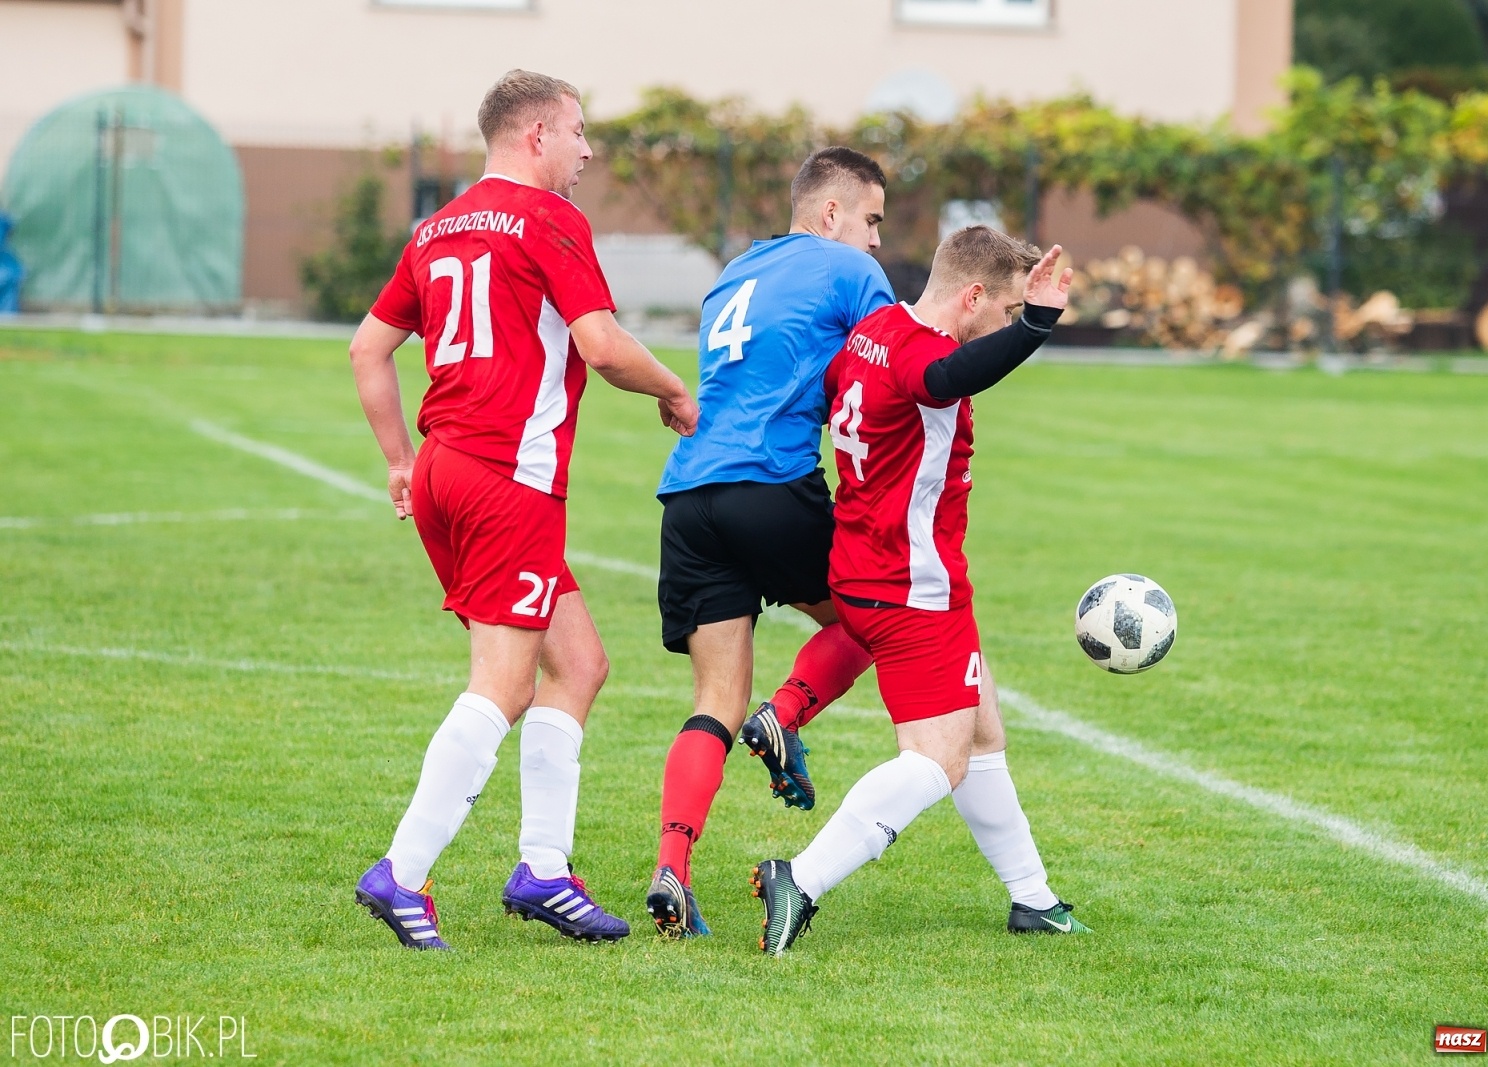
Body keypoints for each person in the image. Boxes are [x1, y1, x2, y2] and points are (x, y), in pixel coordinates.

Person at [348, 70, 698, 950]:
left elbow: (368, 348)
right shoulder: (549, 219)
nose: (588, 150)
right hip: (508, 477)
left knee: (577, 662)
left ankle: (542, 869)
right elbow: (604, 346)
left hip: (444, 469)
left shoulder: (437, 226)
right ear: (536, 133)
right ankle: (403, 871)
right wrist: (673, 390)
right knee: (502, 684)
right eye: (579, 132)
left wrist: (399, 461)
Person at [752, 226, 1091, 956]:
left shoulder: (877, 327)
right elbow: (947, 377)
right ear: (972, 298)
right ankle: (801, 877)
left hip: (868, 566)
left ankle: (1032, 898)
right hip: (912, 586)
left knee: (982, 731)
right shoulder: (923, 353)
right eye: (998, 311)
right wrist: (1036, 323)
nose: (997, 326)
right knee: (939, 759)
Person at [645, 148, 894, 937]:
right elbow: (892, 376)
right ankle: (785, 714)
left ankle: (671, 871)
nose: (878, 241)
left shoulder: (735, 272)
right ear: (832, 215)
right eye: (873, 220)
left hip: (689, 495)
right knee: (877, 617)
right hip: (770, 483)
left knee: (713, 701)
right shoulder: (850, 273)